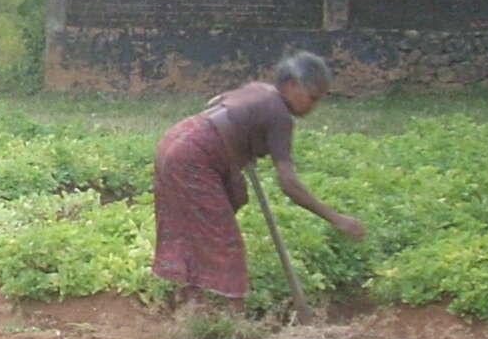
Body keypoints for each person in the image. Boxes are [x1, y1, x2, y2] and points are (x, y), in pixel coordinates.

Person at [151, 51, 364, 301]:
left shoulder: (259, 90)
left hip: (175, 140)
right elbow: (289, 184)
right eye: (312, 98)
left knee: (199, 228)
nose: (313, 108)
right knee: (225, 244)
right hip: (193, 156)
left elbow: (216, 102)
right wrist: (336, 219)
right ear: (292, 85)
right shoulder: (280, 116)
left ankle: (190, 304)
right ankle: (230, 320)